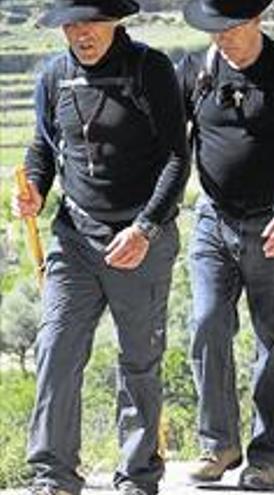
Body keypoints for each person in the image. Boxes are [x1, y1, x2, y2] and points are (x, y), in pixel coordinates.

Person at [14, 0, 190, 493]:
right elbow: (45, 148)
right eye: (70, 23)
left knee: (138, 361)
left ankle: (137, 477)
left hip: (141, 239)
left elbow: (179, 158)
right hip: (74, 237)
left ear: (114, 20)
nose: (80, 33)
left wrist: (146, 228)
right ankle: (53, 475)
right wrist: (33, 185)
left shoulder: (150, 70)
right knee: (56, 348)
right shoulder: (53, 76)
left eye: (90, 21)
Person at [177, 0, 274, 489]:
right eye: (213, 29)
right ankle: (218, 443)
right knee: (205, 323)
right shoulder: (196, 71)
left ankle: (265, 458)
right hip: (212, 220)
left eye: (230, 28)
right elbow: (173, 145)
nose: (220, 37)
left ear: (256, 21)